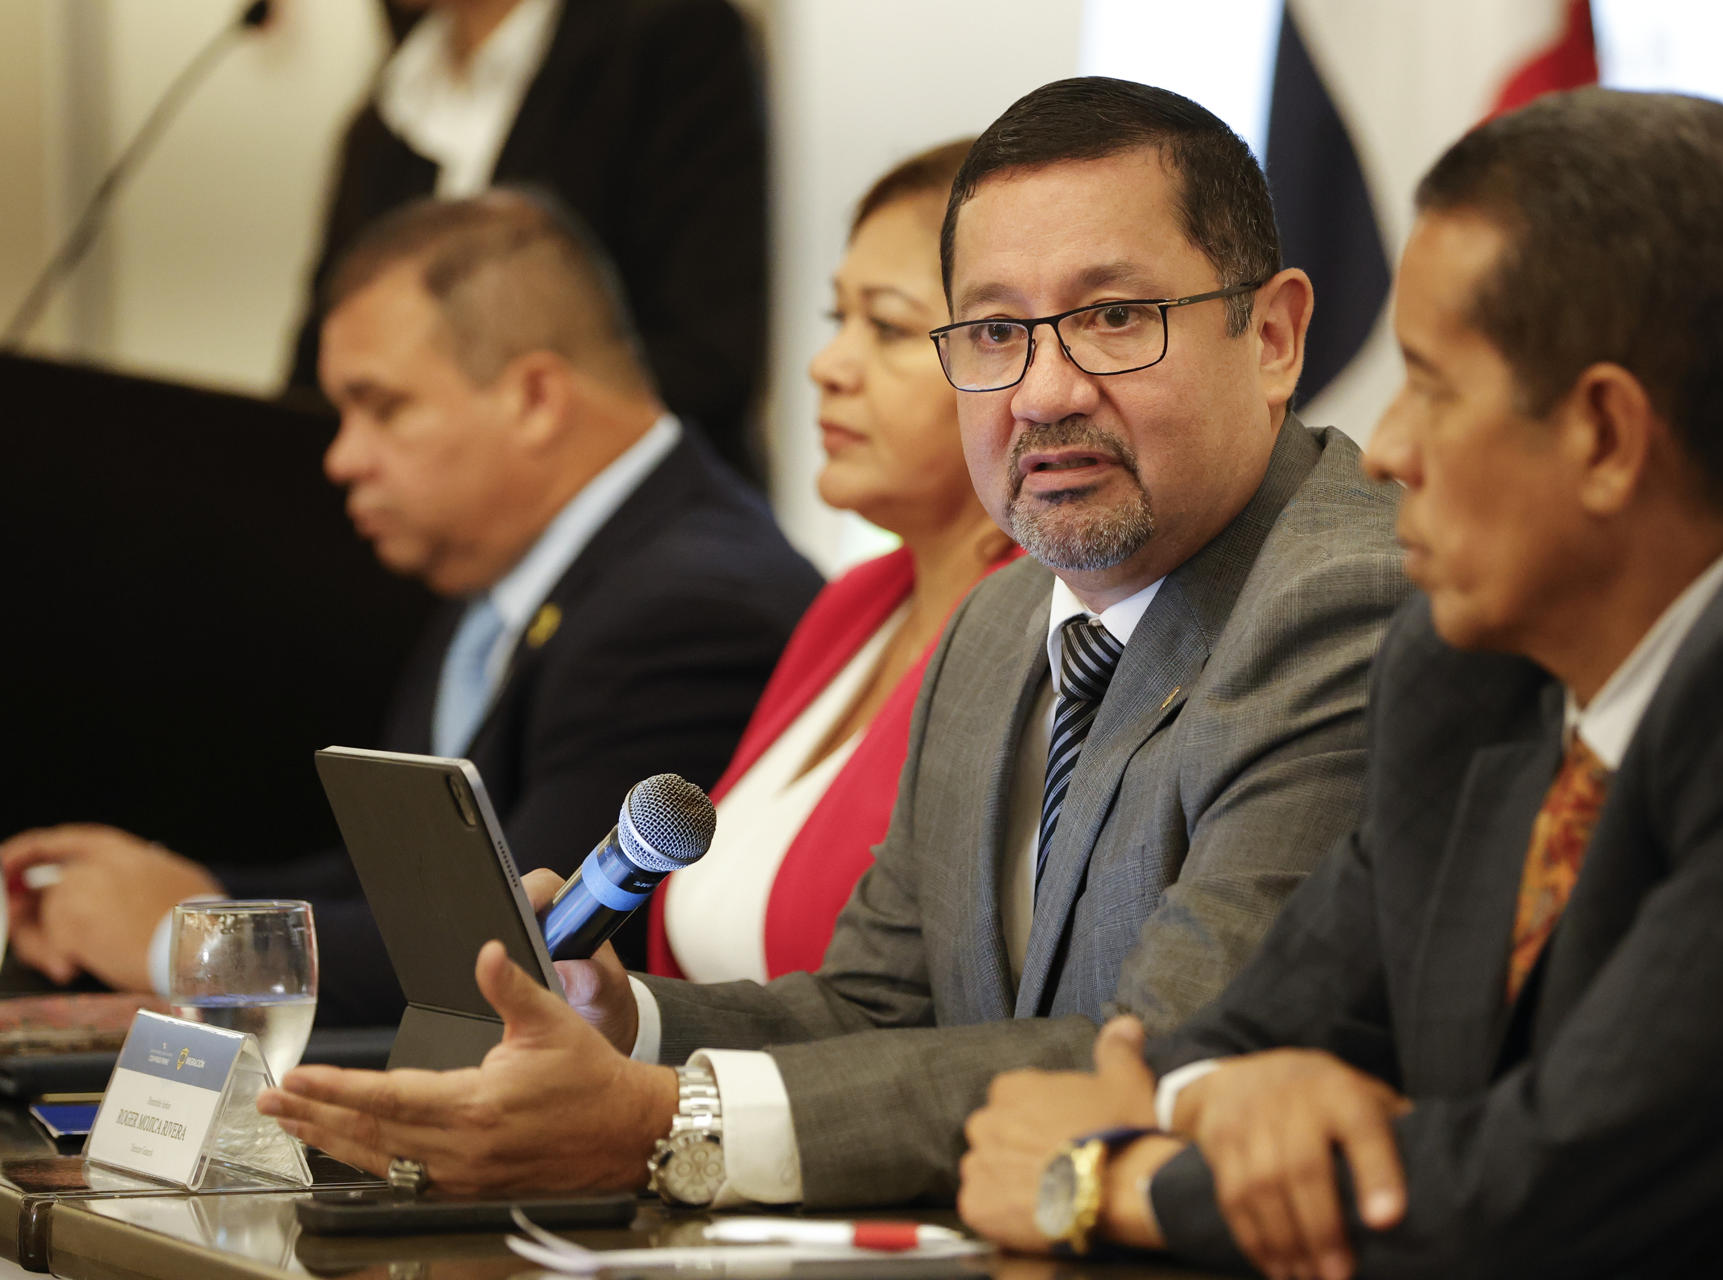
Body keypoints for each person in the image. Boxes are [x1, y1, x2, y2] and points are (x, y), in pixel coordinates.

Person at [253, 76, 1408, 1210]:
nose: (1044, 391)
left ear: (1272, 335)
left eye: (1113, 317)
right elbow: (876, 1003)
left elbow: (1156, 1059)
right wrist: (623, 1021)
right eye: (997, 330)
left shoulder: (1340, 600)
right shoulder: (1000, 616)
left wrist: (667, 1118)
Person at [956, 88, 1723, 1279]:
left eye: (1431, 385)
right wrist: (1228, 1096)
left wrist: (1114, 1176)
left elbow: (1543, 1191)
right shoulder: (1470, 670)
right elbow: (1206, 1044)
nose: (1392, 447)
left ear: (1607, 436)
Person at [1, 191, 820, 1027]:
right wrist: (151, 895)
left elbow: (514, 947)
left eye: (383, 407)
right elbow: (399, 883)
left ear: (535, 397)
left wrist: (196, 942)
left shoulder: (690, 608)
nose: (342, 457)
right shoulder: (514, 564)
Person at [647, 139, 1020, 983]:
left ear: (1011, 357)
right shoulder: (854, 604)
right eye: (836, 319)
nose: (826, 366)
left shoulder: (1040, 631)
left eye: (886, 327)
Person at [286, 0, 768, 482]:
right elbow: (318, 363)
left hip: (638, 511)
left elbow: (712, 357)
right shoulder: (394, 101)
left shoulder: (670, 33)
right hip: (421, 528)